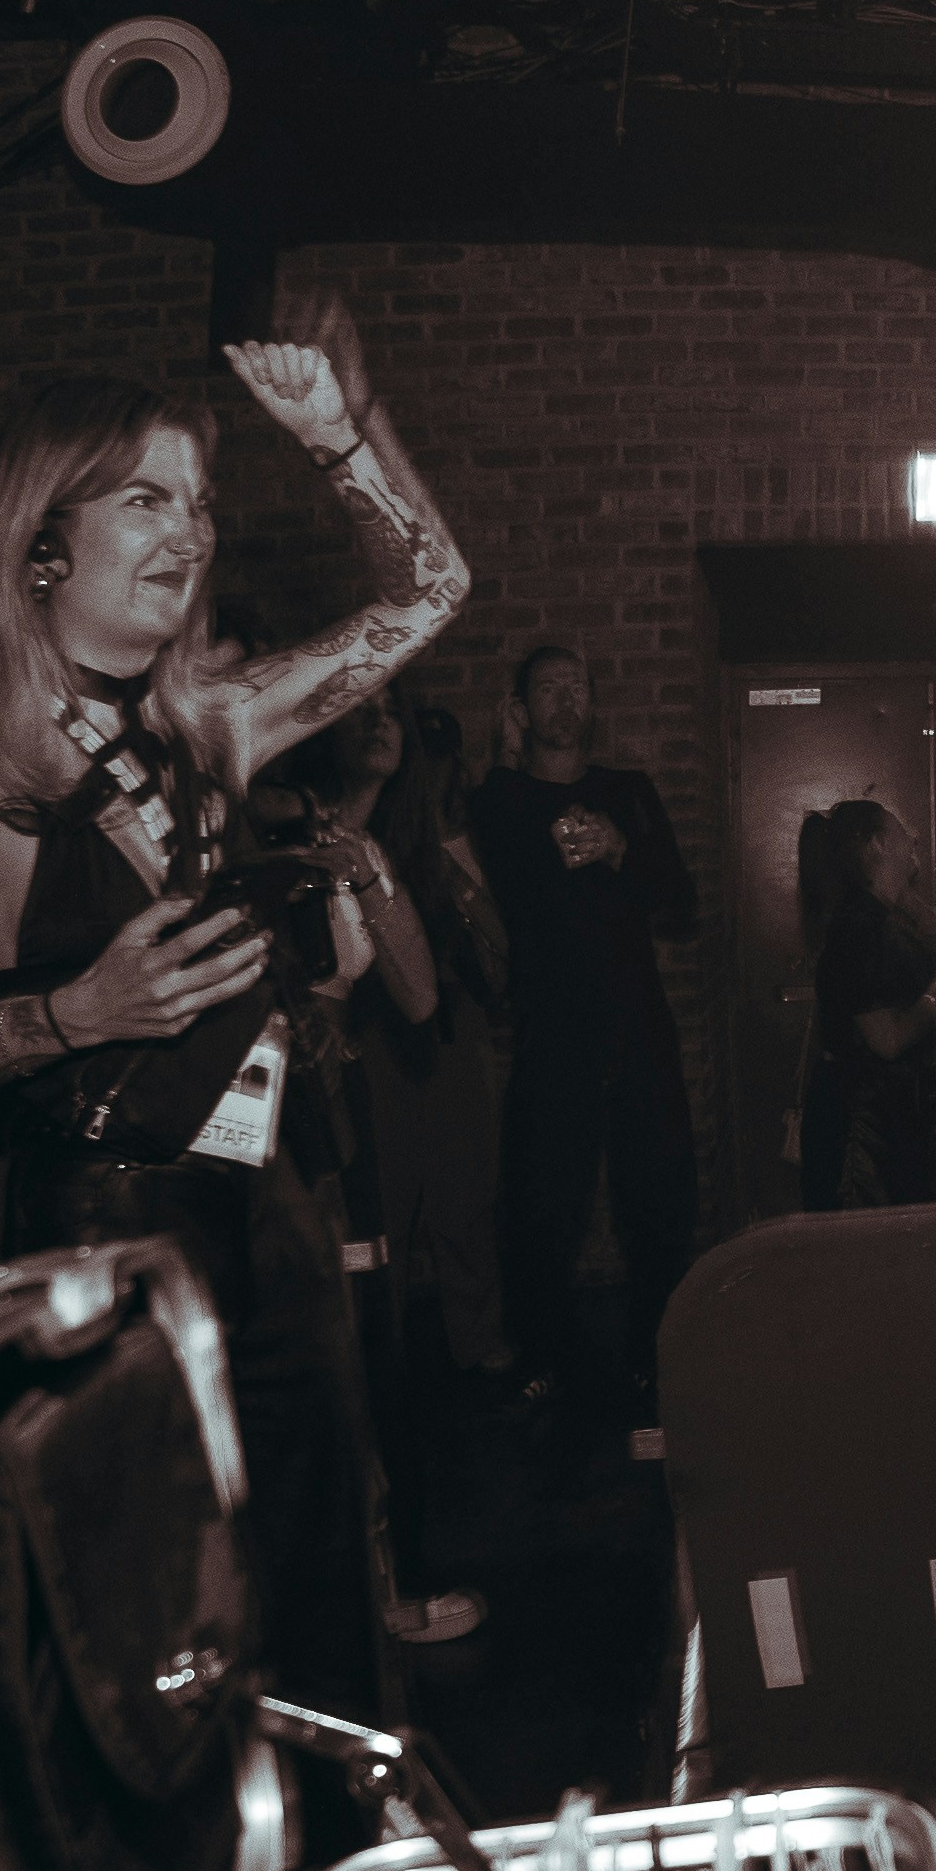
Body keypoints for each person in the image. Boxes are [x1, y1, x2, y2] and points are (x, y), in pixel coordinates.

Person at [0, 308, 475, 1732]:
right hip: (102, 1234)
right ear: (43, 543)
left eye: (199, 504)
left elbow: (431, 590)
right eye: (146, 499)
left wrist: (337, 436)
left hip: (268, 1210)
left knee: (324, 1582)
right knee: (150, 1622)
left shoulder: (215, 717)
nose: (188, 533)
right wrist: (78, 1011)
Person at [252, 712, 484, 1647]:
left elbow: (421, 994)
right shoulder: (216, 829)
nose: (380, 716)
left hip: (324, 1115)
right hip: (232, 1123)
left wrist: (366, 868)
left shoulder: (336, 833)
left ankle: (381, 1587)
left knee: (363, 1351)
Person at [468, 639, 700, 1423]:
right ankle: (545, 1361)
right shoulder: (499, 800)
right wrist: (503, 761)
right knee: (543, 1205)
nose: (567, 701)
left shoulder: (627, 792)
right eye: (549, 689)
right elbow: (502, 874)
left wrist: (620, 849)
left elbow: (679, 900)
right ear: (523, 711)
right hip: (554, 1036)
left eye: (579, 687)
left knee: (659, 1199)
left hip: (639, 1029)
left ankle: (656, 1360)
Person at [361, 693, 512, 1387]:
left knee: (465, 1202)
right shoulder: (381, 842)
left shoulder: (479, 840)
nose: (438, 778)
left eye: (445, 763)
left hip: (457, 1038)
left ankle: (477, 1344)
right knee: (382, 1214)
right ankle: (376, 1359)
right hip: (387, 1043)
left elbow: (505, 954)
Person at [794, 795, 936, 1208]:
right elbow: (888, 1040)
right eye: (899, 826)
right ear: (878, 844)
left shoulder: (878, 915)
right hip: (861, 1135)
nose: (912, 834)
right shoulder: (860, 926)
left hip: (881, 1120)